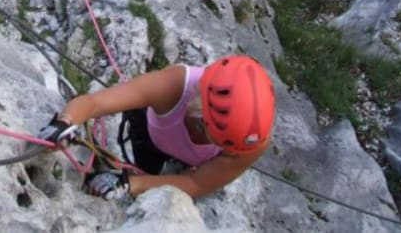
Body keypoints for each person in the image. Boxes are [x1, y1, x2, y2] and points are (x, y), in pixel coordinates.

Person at [38, 55, 276, 201]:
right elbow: (94, 103)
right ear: (201, 115)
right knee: (143, 159)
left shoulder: (249, 141)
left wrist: (130, 184)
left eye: (227, 148)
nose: (228, 151)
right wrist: (65, 123)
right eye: (216, 139)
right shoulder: (172, 86)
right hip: (151, 137)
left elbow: (196, 183)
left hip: (190, 160)